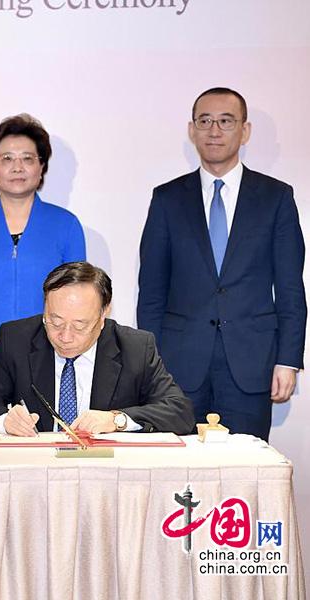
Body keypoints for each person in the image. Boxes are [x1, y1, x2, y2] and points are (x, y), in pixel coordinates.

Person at [137, 87, 306, 441]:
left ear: (245, 131)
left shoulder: (276, 197)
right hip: (179, 368)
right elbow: (151, 291)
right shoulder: (167, 199)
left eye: (226, 121)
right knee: (179, 468)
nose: (214, 131)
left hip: (252, 365)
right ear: (192, 130)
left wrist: (288, 360)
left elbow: (290, 287)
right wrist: (152, 365)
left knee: (245, 467)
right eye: (205, 121)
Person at [0, 114, 85, 407]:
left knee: (41, 435)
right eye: (7, 158)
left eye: (27, 158)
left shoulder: (66, 225)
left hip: (48, 357)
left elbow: (80, 303)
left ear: (41, 166)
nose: (18, 167)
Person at [0, 262, 194, 436]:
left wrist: (116, 420)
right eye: (55, 322)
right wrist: (5, 420)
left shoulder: (135, 348)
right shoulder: (16, 339)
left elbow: (179, 412)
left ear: (103, 315)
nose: (65, 337)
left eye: (80, 325)